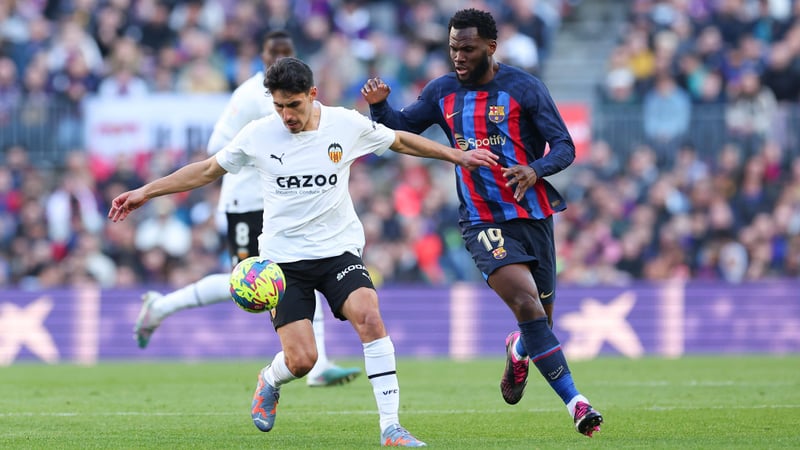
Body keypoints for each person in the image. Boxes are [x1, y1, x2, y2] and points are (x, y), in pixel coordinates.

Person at [109, 56, 498, 446]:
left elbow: (398, 140)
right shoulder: (259, 134)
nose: (286, 115)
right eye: (279, 106)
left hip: (337, 251)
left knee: (369, 316)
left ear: (312, 94)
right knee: (302, 361)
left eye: (293, 105)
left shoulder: (344, 124)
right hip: (283, 262)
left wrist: (456, 155)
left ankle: (391, 427)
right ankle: (270, 378)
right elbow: (208, 169)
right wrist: (146, 191)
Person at [361, 8, 603, 438]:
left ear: (491, 47)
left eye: (468, 49)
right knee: (526, 304)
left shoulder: (524, 88)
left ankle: (519, 348)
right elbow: (400, 131)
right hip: (481, 219)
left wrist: (535, 170)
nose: (458, 56)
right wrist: (380, 107)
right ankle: (577, 403)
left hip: (532, 215)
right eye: (453, 48)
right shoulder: (441, 91)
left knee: (539, 323)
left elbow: (565, 146)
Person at [132, 30, 360, 387]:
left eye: (285, 51)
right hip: (246, 202)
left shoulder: (298, 95)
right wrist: (264, 158)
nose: (278, 56)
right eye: (272, 52)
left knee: (300, 269)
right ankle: (161, 307)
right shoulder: (249, 95)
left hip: (283, 205)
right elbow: (217, 145)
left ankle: (317, 365)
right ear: (262, 55)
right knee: (246, 282)